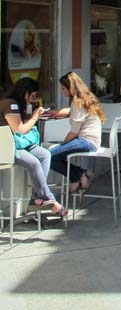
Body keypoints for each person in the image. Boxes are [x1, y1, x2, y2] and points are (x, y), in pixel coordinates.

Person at [0, 77, 66, 216]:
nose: (31, 100)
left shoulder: (15, 105)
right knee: (34, 162)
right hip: (7, 147)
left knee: (45, 154)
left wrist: (32, 116)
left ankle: (37, 197)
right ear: (25, 92)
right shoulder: (9, 104)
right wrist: (35, 117)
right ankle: (51, 200)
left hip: (18, 144)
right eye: (32, 96)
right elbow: (19, 129)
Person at [49, 72, 104, 193]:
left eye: (63, 88)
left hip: (85, 141)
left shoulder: (77, 103)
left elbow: (74, 132)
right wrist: (57, 112)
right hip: (93, 140)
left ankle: (79, 175)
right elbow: (72, 112)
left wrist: (62, 145)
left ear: (71, 88)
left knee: (49, 156)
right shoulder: (85, 99)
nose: (62, 91)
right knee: (53, 156)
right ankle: (81, 175)